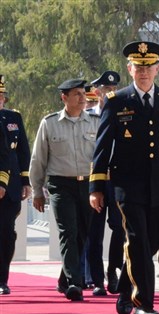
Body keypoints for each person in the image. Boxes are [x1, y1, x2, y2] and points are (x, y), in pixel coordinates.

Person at [89, 41, 159, 314]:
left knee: (150, 244)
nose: (143, 72)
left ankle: (126, 290)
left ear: (157, 68)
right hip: (127, 185)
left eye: (148, 67)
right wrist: (96, 187)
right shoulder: (117, 102)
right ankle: (144, 304)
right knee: (137, 241)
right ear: (130, 69)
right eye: (138, 67)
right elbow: (102, 148)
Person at [30, 78, 100, 301]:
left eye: (83, 93)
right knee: (68, 231)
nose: (82, 98)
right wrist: (37, 191)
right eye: (77, 94)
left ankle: (64, 278)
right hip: (61, 185)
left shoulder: (95, 122)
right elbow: (38, 159)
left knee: (82, 233)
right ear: (64, 98)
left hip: (88, 184)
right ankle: (74, 283)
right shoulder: (50, 123)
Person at [85, 70, 124, 296]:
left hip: (117, 180)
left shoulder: (123, 113)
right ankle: (97, 278)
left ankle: (113, 270)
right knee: (94, 230)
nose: (110, 92)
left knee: (119, 227)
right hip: (95, 181)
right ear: (97, 91)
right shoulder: (88, 116)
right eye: (106, 89)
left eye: (113, 89)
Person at [0, 75, 31, 295]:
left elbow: (22, 152)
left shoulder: (13, 118)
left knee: (6, 233)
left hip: (9, 187)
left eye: (1, 96)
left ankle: (2, 278)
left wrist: (25, 181)